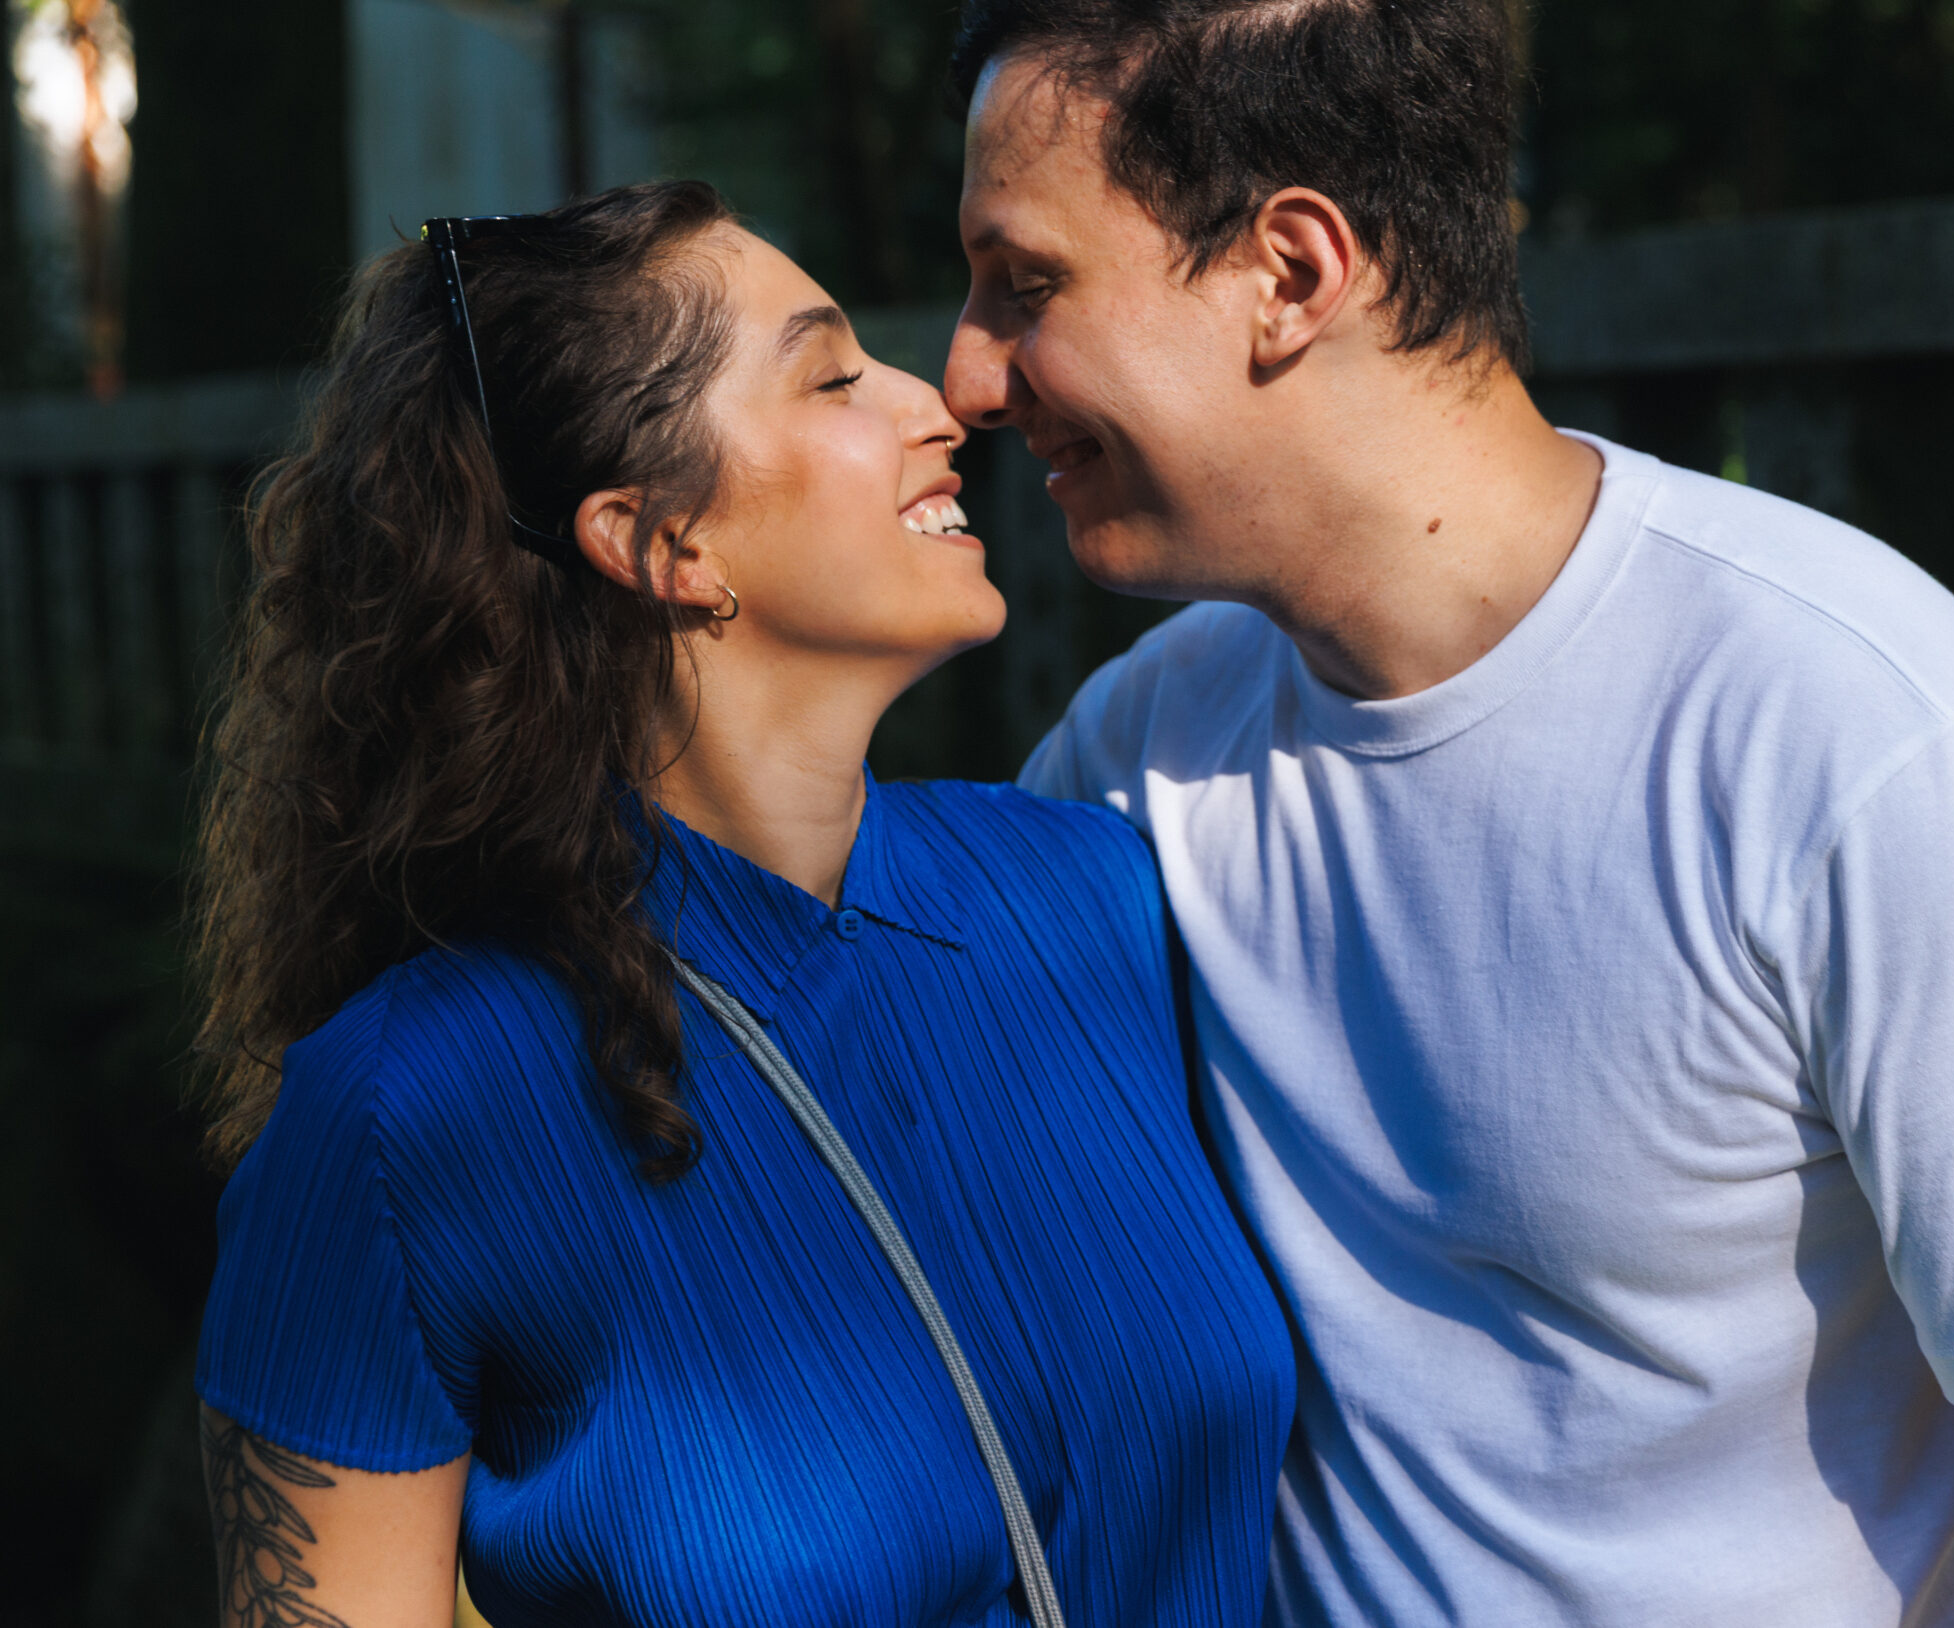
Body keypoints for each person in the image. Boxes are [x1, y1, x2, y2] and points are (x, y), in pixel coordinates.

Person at [940, 0, 1954, 1624]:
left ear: (1292, 270)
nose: (969, 377)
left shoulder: (1872, 745)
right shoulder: (1146, 753)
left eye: (1028, 283)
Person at [190, 181, 1293, 1628]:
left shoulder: (1095, 896)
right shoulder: (407, 1109)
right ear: (663, 546)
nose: (939, 405)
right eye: (834, 377)